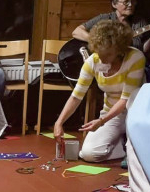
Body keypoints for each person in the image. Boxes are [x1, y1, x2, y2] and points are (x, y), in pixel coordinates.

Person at [54, 20, 145, 162]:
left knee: (139, 157)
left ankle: (128, 143)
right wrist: (59, 123)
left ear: (119, 50)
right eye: (99, 53)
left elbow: (125, 100)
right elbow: (76, 96)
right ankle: (120, 146)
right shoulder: (92, 62)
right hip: (110, 114)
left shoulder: (135, 58)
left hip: (135, 114)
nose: (102, 58)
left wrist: (101, 121)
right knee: (88, 154)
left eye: (107, 54)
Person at [72, 0, 150, 56]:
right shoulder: (105, 18)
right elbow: (77, 32)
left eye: (133, 1)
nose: (130, 5)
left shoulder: (139, 23)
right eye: (126, 2)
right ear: (114, 4)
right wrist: (99, 42)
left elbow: (144, 49)